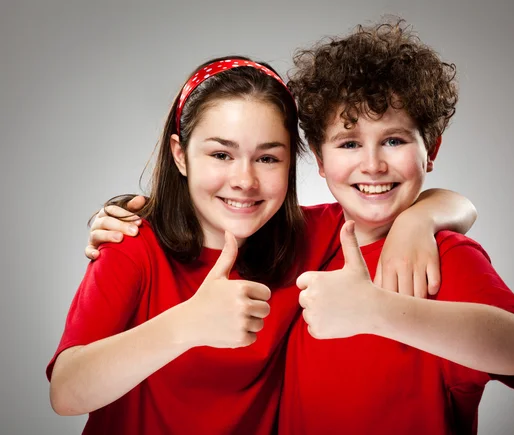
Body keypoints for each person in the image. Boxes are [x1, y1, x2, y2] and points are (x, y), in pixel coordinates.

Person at [48, 55, 477, 434]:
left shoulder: (310, 238)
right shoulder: (134, 244)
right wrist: (186, 324)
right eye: (221, 154)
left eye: (268, 158)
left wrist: (418, 219)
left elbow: (441, 202)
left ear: (295, 161)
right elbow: (66, 391)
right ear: (180, 154)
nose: (245, 180)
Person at [276, 19, 514, 434]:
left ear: (431, 149)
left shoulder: (444, 254)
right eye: (349, 143)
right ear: (320, 156)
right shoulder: (298, 234)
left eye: (394, 140)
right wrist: (140, 207)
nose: (373, 164)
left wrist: (376, 310)